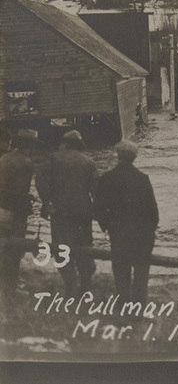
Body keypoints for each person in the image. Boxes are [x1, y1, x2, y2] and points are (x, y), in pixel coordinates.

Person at [94, 141, 159, 304]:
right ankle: (139, 306)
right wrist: (150, 230)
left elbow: (98, 207)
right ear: (134, 157)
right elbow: (152, 210)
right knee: (141, 272)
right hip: (142, 233)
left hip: (118, 232)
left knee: (121, 270)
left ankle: (123, 303)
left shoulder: (107, 178)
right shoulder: (142, 179)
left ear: (117, 155)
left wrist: (107, 226)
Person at [36, 130, 98, 296]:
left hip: (60, 212)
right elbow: (96, 190)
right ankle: (85, 286)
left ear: (65, 143)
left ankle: (70, 286)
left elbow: (39, 178)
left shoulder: (54, 158)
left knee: (62, 248)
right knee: (84, 247)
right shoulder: (89, 162)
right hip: (84, 213)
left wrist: (46, 201)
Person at [0, 129, 38, 299]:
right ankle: (11, 286)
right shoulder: (26, 163)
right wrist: (29, 200)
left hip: (2, 207)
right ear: (29, 146)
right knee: (15, 248)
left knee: (3, 244)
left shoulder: (4, 158)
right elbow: (20, 192)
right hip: (15, 212)